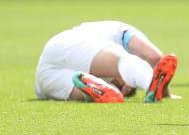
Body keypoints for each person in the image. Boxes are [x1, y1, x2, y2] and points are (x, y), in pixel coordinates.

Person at [35, 20, 178, 103]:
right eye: (124, 85)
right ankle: (148, 84)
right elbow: (155, 57)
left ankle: (105, 91)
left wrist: (120, 89)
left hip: (45, 76)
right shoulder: (122, 32)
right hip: (69, 43)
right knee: (123, 61)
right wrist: (166, 93)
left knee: (110, 94)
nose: (121, 84)